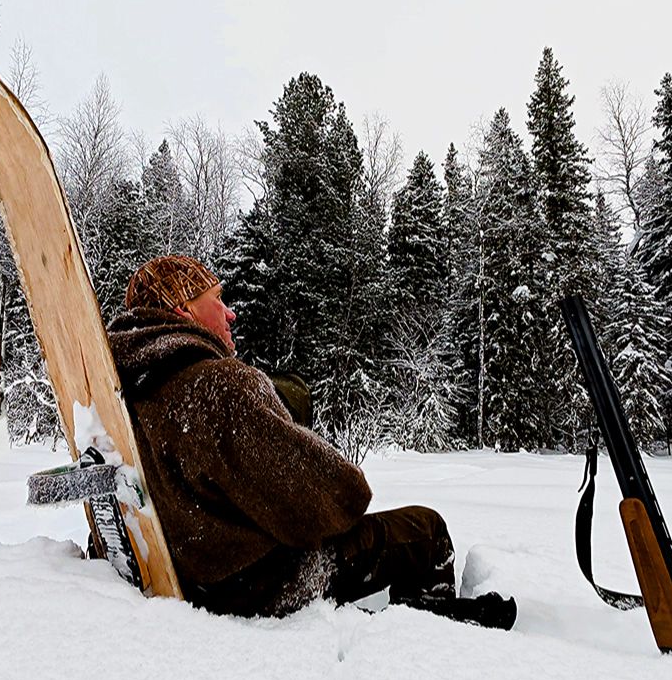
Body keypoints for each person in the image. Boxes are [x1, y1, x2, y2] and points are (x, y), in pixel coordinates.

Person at [106, 255, 516, 629]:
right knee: (425, 529)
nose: (230, 313)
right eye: (218, 298)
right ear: (184, 309)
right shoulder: (218, 386)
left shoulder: (127, 393)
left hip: (198, 579)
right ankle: (431, 635)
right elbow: (338, 497)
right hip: (259, 587)